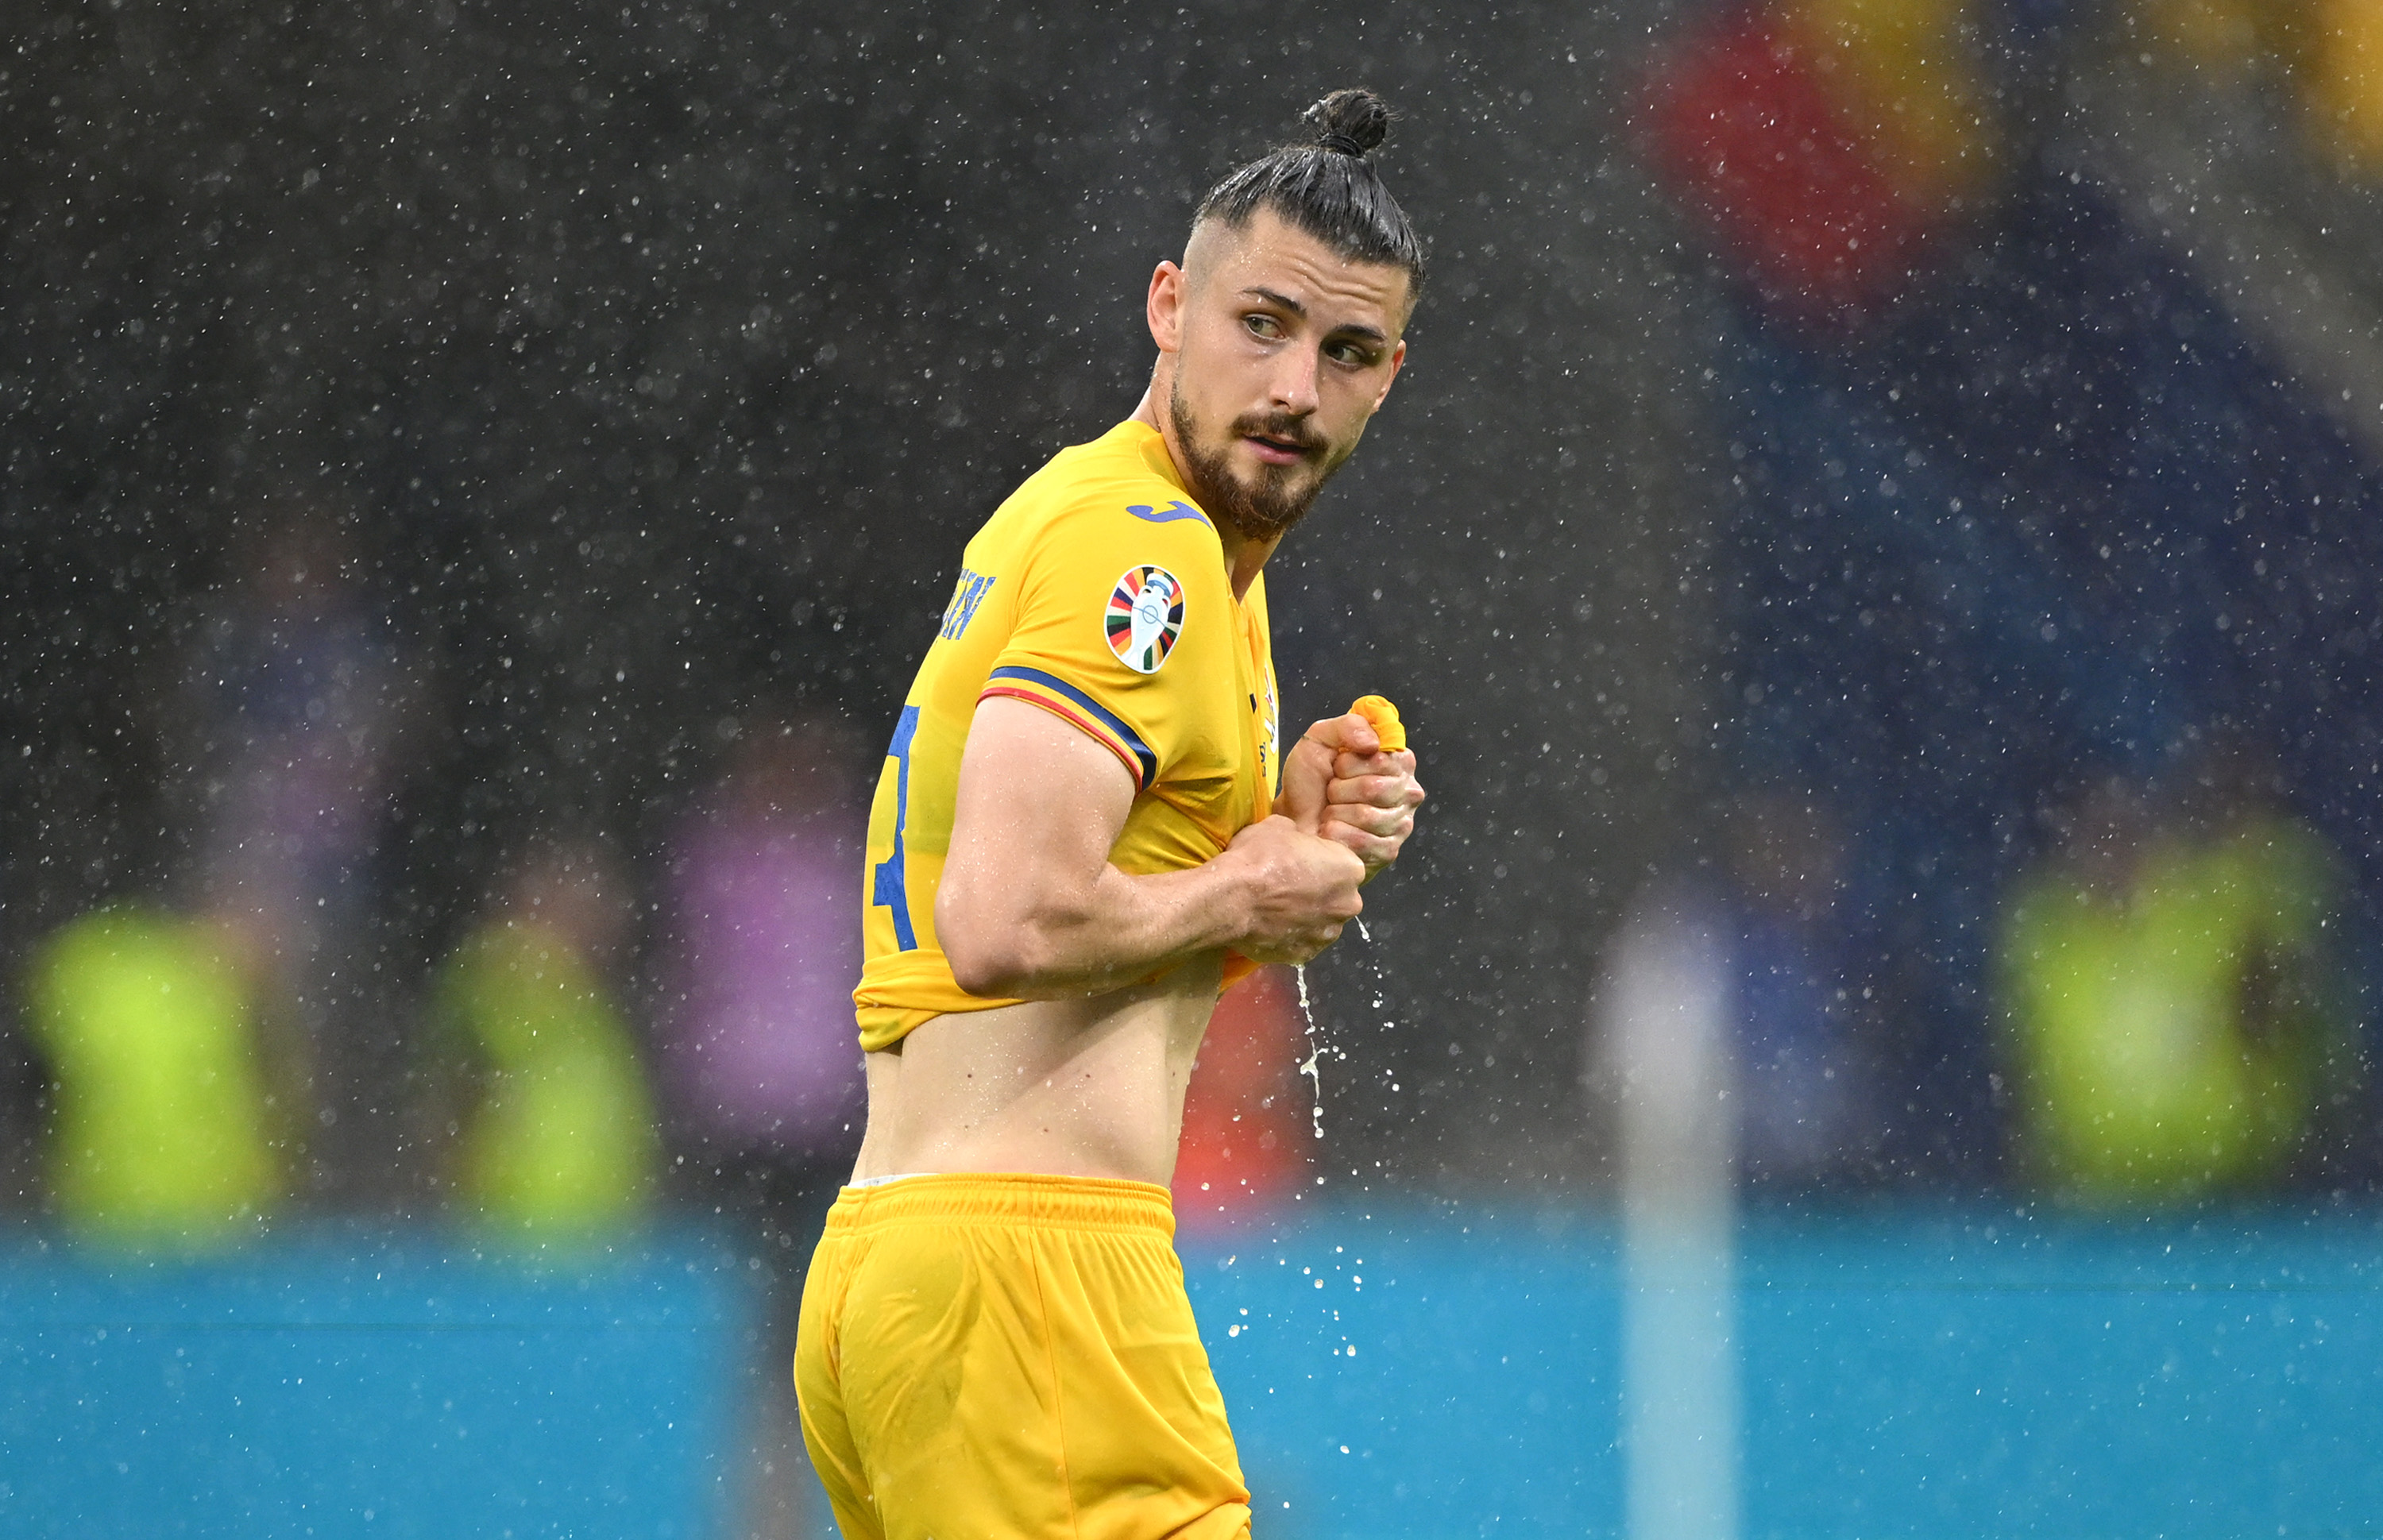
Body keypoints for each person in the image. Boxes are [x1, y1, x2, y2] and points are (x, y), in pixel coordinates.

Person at [794, 89, 1430, 1538]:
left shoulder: (1195, 565)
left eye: (1344, 353)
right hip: (1031, 1280)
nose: (1294, 388)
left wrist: (1272, 835)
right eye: (1259, 325)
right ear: (1168, 306)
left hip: (937, 1270)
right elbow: (1006, 919)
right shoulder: (1135, 549)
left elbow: (1096, 911)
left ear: (1391, 373)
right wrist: (1249, 892)